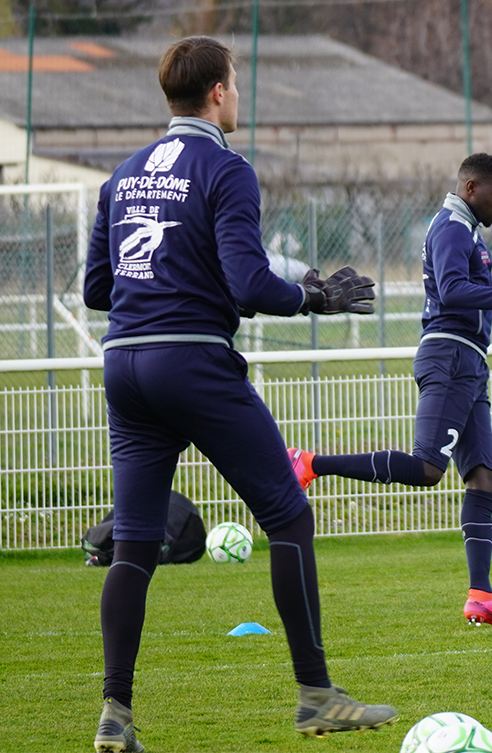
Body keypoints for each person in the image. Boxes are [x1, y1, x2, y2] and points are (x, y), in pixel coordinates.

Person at [83, 36, 396, 751]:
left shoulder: (123, 175)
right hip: (191, 362)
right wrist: (314, 297)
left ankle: (115, 716)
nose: (238, 94)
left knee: (133, 545)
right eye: (237, 82)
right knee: (287, 515)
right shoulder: (226, 169)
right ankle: (317, 696)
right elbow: (252, 285)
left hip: (125, 367)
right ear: (219, 91)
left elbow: (99, 290)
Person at [287, 154, 492, 627]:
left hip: (468, 362)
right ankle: (309, 464)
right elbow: (451, 290)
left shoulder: (465, 229)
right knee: (429, 468)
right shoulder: (452, 226)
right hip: (449, 358)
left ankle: (481, 595)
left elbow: (466, 288)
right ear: (471, 188)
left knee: (483, 480)